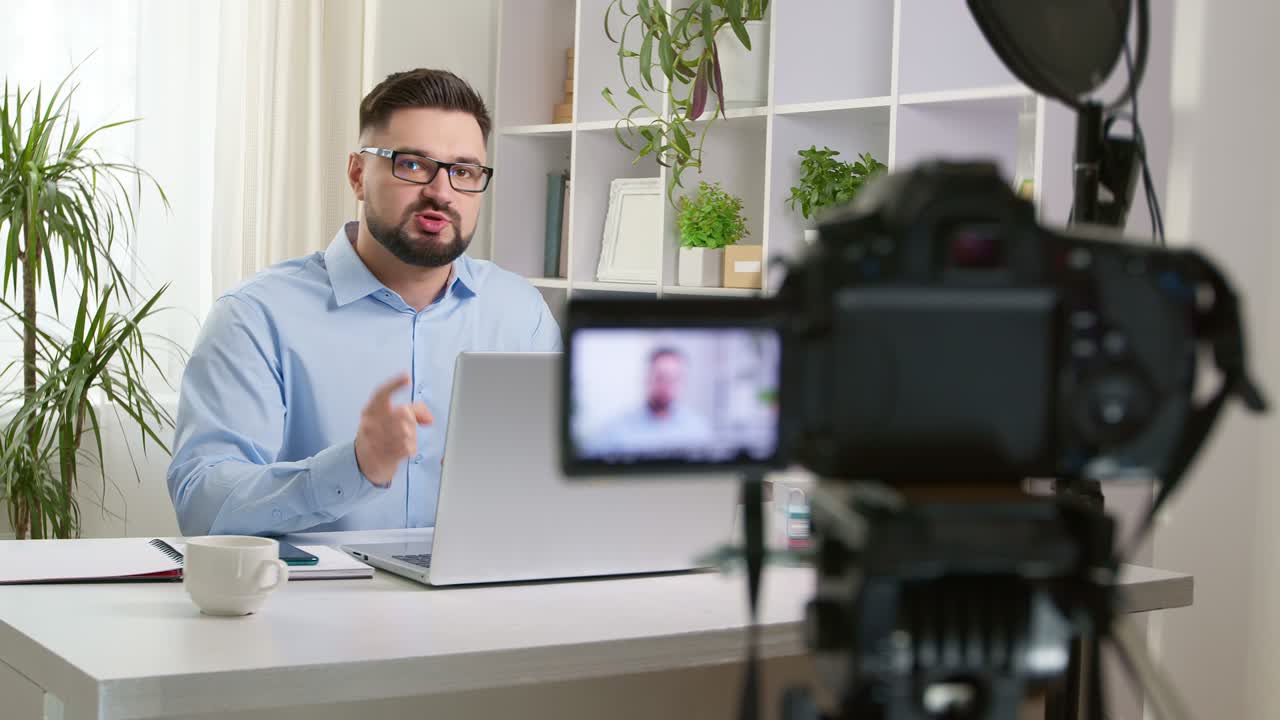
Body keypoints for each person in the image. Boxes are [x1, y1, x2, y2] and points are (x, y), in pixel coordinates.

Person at [168, 69, 560, 537]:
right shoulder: (256, 316)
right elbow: (202, 505)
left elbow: (562, 478)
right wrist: (353, 466)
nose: (441, 191)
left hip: (485, 602)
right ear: (357, 174)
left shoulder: (521, 315)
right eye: (413, 164)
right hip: (310, 604)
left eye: (463, 171)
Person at [583, 347, 714, 457]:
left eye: (674, 379)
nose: (667, 385)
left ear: (683, 383)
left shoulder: (698, 430)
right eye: (661, 377)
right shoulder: (615, 431)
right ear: (647, 378)